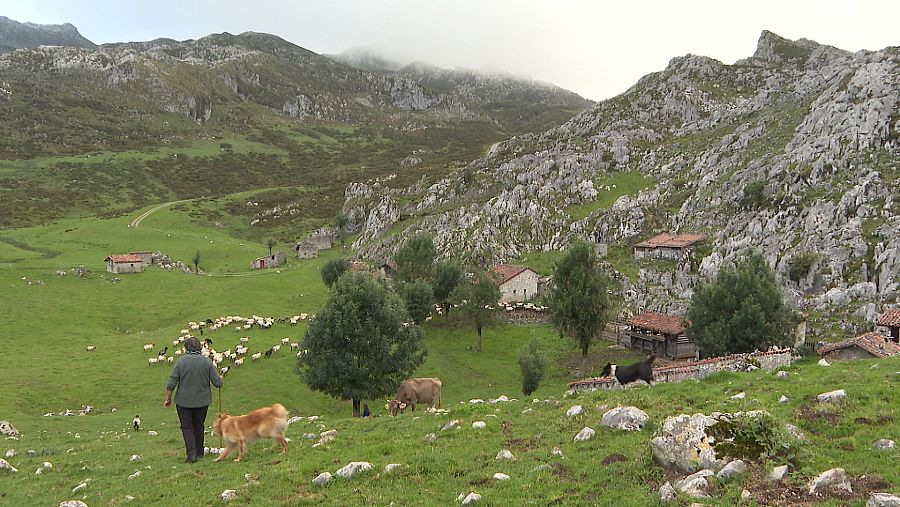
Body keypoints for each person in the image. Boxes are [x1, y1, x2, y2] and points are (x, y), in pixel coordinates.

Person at [164, 337, 223, 463]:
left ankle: (191, 455)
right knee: (198, 425)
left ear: (186, 348)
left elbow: (171, 382)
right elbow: (217, 383)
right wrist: (220, 378)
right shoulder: (207, 362)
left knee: (187, 427)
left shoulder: (180, 362)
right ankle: (200, 452)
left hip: (183, 402)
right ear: (200, 348)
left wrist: (168, 399)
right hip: (202, 402)